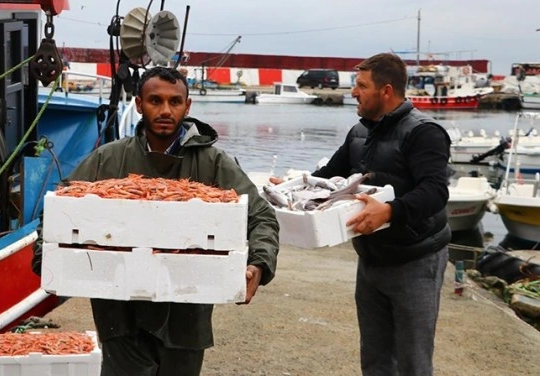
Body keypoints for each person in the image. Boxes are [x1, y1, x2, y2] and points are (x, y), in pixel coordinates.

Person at [38, 66, 279, 375]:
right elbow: (58, 207)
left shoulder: (213, 162)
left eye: (175, 102)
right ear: (139, 104)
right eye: (155, 100)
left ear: (187, 106)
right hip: (119, 313)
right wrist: (50, 260)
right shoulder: (107, 158)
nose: (165, 110)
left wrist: (259, 263)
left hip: (187, 313)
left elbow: (261, 216)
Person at [313, 53, 451, 376]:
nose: (353, 93)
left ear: (386, 91)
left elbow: (435, 192)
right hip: (372, 259)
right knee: (374, 361)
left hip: (415, 262)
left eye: (361, 86)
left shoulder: (425, 133)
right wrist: (295, 187)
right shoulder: (359, 133)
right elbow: (329, 175)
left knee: (413, 364)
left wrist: (389, 212)